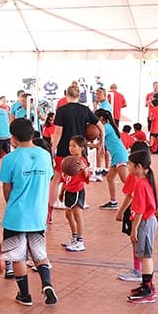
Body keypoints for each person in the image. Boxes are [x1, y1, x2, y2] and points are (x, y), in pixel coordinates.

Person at [0, 118, 57, 306]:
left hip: (17, 215)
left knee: (18, 256)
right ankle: (47, 285)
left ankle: (25, 295)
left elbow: (6, 188)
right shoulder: (44, 155)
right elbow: (48, 178)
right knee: (40, 253)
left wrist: (13, 203)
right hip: (38, 214)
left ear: (13, 138)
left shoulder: (10, 159)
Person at [49, 85, 104, 216]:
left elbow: (58, 133)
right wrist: (102, 143)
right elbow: (101, 126)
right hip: (80, 149)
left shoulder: (61, 110)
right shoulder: (85, 109)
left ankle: (52, 205)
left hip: (65, 148)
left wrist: (52, 149)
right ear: (78, 96)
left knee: (56, 178)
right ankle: (80, 202)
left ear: (66, 95)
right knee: (79, 177)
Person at [125, 151, 158, 303]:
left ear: (138, 167)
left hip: (144, 222)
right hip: (149, 220)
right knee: (145, 254)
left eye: (130, 164)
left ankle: (148, 289)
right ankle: (147, 284)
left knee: (145, 255)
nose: (128, 167)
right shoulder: (148, 179)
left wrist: (134, 229)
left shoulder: (141, 183)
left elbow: (139, 210)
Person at [114, 142, 150, 283]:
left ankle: (138, 271)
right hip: (146, 215)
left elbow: (130, 195)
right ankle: (139, 270)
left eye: (129, 163)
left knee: (135, 240)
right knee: (142, 245)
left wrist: (121, 212)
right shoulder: (148, 175)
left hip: (136, 213)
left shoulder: (134, 177)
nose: (127, 166)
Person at [94, 109, 129, 210]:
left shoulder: (106, 127)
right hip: (116, 157)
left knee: (126, 181)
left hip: (120, 156)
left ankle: (137, 199)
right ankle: (113, 202)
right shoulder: (107, 127)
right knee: (110, 178)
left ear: (100, 118)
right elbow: (100, 144)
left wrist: (84, 144)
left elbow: (98, 143)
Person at [62, 136, 91, 252]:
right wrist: (61, 191)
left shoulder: (81, 161)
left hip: (77, 191)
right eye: (70, 146)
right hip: (68, 190)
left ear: (82, 148)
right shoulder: (69, 160)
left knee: (77, 215)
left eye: (74, 146)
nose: (71, 148)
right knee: (68, 215)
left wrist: (84, 169)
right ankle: (74, 237)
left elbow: (87, 176)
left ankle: (80, 241)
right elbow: (66, 178)